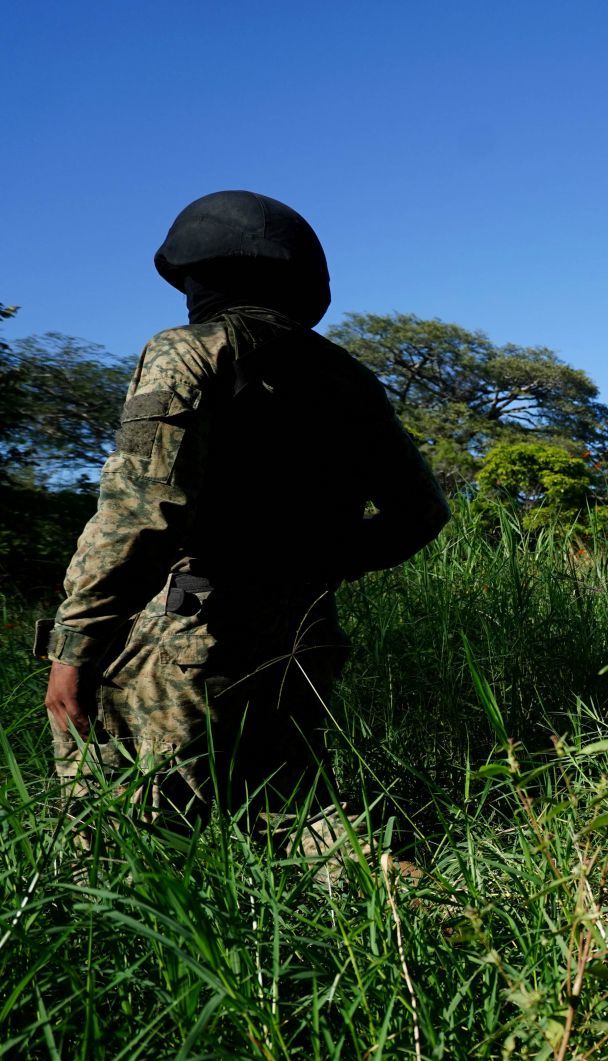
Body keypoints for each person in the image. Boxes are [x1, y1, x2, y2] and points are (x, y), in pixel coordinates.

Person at [38, 190, 448, 841]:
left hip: (194, 637)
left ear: (200, 274)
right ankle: (408, 899)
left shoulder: (188, 352)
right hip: (303, 635)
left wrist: (75, 646)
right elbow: (420, 512)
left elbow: (139, 512)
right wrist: (315, 567)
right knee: (283, 813)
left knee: (131, 827)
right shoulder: (349, 379)